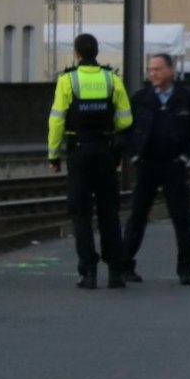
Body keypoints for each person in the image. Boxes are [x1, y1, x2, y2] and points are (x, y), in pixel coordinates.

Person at [47, 33, 133, 289]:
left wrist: (53, 155)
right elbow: (126, 119)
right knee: (109, 212)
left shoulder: (67, 80)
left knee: (81, 214)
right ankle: (116, 272)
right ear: (97, 53)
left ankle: (88, 272)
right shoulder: (111, 78)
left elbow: (57, 120)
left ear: (77, 54)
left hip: (79, 152)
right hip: (106, 152)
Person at [124, 53, 190, 285]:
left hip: (174, 165)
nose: (153, 73)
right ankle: (124, 265)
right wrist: (133, 154)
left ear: (171, 71)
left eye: (158, 69)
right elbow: (125, 128)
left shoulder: (185, 98)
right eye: (151, 69)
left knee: (182, 218)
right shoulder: (141, 98)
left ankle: (186, 269)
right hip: (147, 165)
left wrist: (185, 156)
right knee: (137, 216)